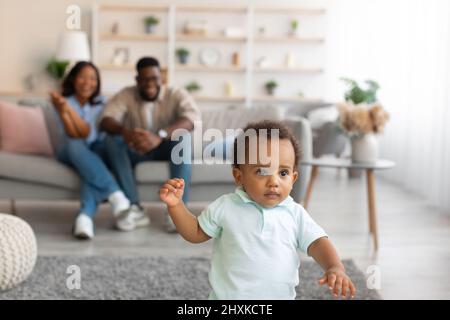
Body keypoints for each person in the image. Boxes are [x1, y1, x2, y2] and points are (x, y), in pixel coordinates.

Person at [159, 120, 356, 299]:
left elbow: (318, 243)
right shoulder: (226, 206)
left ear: (293, 178)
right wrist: (176, 205)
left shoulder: (295, 213)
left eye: (283, 172)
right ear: (239, 176)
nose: (273, 181)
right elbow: (195, 233)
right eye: (261, 171)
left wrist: (334, 267)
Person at [99, 56, 200, 232]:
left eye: (154, 78)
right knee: (112, 141)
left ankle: (177, 211)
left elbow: (191, 120)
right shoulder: (126, 94)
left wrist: (159, 136)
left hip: (166, 147)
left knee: (183, 137)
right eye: (144, 79)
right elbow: (105, 120)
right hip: (137, 147)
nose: (149, 83)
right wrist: (127, 133)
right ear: (137, 80)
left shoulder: (176, 94)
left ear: (161, 78)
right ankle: (134, 208)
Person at [51, 61, 135, 239]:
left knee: (91, 165)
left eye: (92, 78)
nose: (87, 82)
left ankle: (84, 218)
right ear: (73, 79)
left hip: (95, 150)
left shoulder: (102, 103)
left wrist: (66, 109)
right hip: (69, 151)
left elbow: (87, 132)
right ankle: (115, 194)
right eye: (82, 77)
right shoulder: (64, 101)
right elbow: (73, 134)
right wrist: (64, 108)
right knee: (75, 144)